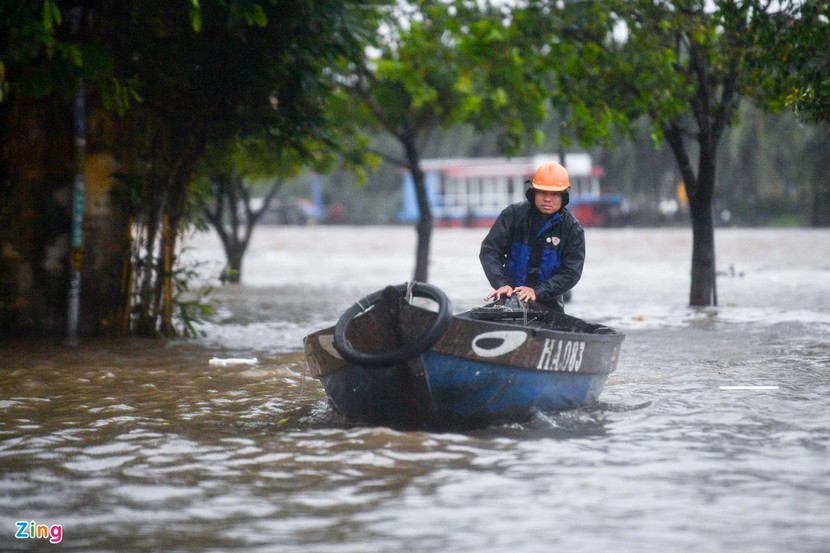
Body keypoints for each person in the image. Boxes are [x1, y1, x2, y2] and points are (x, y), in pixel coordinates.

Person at [479, 160, 585, 313]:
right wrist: (501, 284)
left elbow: (571, 272)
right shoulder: (513, 215)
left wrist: (537, 292)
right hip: (508, 300)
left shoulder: (572, 229)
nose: (547, 199)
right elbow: (490, 251)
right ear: (534, 192)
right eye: (542, 192)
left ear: (563, 196)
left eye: (554, 194)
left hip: (549, 307)